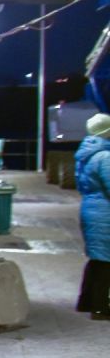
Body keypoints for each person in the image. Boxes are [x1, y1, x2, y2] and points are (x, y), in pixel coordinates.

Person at [75, 112, 110, 320]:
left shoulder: (86, 154)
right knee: (106, 262)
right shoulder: (105, 157)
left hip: (91, 208)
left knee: (97, 259)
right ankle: (100, 307)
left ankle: (86, 300)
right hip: (105, 212)